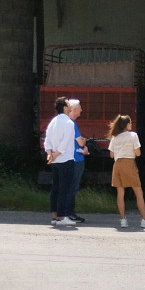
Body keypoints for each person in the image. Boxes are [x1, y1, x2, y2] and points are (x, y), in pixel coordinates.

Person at [107, 114, 145, 228]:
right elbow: (138, 153)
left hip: (117, 164)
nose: (131, 125)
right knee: (138, 192)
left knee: (120, 194)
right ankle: (144, 219)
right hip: (129, 164)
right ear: (127, 124)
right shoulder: (133, 135)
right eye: (130, 123)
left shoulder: (115, 137)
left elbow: (111, 155)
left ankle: (123, 220)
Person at [43, 96, 78, 227]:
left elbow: (47, 140)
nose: (70, 106)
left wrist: (50, 155)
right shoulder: (69, 123)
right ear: (64, 107)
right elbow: (65, 143)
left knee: (55, 188)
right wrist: (55, 155)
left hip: (55, 161)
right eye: (69, 104)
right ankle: (62, 217)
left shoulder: (53, 121)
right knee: (65, 189)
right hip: (65, 159)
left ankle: (54, 216)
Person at [66, 99, 88, 223]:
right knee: (73, 187)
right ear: (74, 110)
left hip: (68, 158)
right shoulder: (72, 123)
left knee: (67, 186)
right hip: (76, 159)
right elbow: (80, 141)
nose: (81, 110)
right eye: (80, 108)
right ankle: (70, 213)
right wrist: (84, 144)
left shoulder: (64, 122)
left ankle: (64, 213)